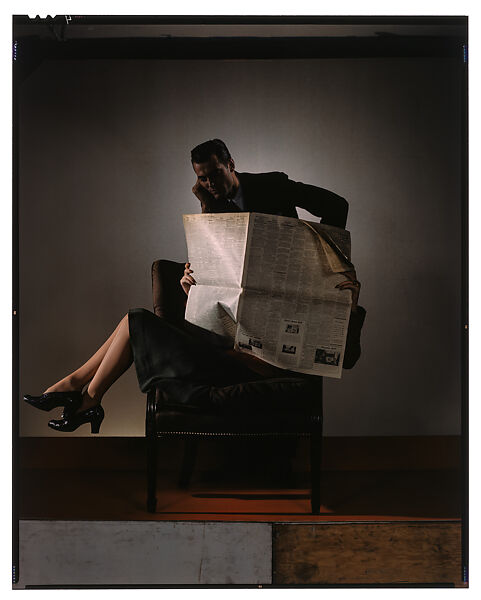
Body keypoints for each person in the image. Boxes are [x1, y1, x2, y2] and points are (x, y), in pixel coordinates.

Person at [24, 140, 364, 434]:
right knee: (134, 320)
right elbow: (217, 290)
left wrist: (320, 262)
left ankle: (80, 396)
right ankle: (79, 394)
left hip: (254, 353)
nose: (209, 183)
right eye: (201, 177)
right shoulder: (211, 205)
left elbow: (337, 206)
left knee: (135, 322)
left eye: (215, 173)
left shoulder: (273, 185)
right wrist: (192, 285)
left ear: (231, 164)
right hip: (224, 338)